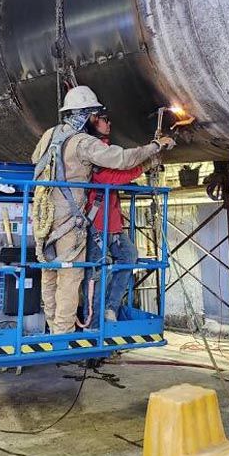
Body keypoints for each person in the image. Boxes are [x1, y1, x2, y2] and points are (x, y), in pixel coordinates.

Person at [31, 86, 174, 335]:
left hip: (44, 216)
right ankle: (62, 336)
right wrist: (154, 146)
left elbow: (36, 160)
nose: (97, 120)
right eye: (95, 116)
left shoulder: (49, 135)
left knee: (50, 272)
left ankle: (54, 327)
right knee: (70, 276)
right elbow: (123, 160)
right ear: (86, 115)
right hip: (68, 221)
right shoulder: (84, 142)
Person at [83, 111, 147, 327]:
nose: (109, 123)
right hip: (98, 224)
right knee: (97, 274)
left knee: (129, 256)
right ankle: (93, 327)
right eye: (104, 119)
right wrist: (143, 166)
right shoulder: (92, 149)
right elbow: (110, 177)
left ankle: (110, 308)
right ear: (93, 121)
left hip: (111, 223)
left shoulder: (105, 148)